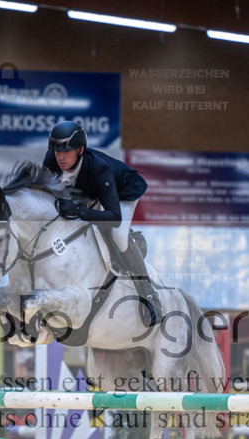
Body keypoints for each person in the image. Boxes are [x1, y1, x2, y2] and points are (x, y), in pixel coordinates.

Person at [42, 120, 163, 326]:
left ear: (80, 150)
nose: (61, 156)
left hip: (123, 192)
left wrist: (80, 210)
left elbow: (113, 217)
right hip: (90, 190)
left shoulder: (99, 169)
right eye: (57, 151)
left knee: (117, 237)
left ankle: (149, 295)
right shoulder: (51, 160)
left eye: (67, 151)